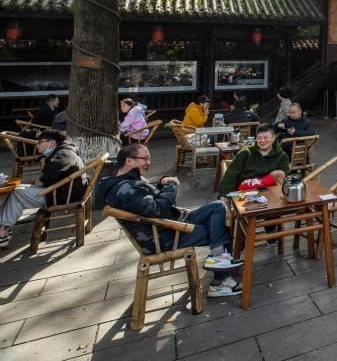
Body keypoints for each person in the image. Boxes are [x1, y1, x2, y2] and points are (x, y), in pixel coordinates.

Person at [97, 143, 243, 297]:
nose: (148, 162)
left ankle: (219, 260)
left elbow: (146, 202)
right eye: (145, 158)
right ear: (129, 160)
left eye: (149, 158)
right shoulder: (125, 189)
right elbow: (157, 209)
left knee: (218, 207)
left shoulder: (125, 180)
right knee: (220, 230)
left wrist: (161, 184)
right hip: (166, 237)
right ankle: (220, 283)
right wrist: (171, 185)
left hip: (171, 223)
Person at [0, 130, 85, 248]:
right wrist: (43, 180)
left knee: (16, 193)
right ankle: (5, 229)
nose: (37, 145)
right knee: (17, 190)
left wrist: (43, 179)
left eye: (40, 142)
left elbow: (55, 170)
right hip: (60, 191)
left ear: (52, 143)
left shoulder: (64, 153)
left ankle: (3, 232)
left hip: (61, 195)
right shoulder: (64, 150)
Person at [218, 124, 289, 195]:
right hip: (245, 192)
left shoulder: (282, 156)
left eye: (266, 137)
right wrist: (224, 195)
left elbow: (284, 179)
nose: (262, 141)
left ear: (274, 138)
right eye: (259, 138)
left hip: (271, 192)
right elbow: (230, 175)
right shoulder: (245, 153)